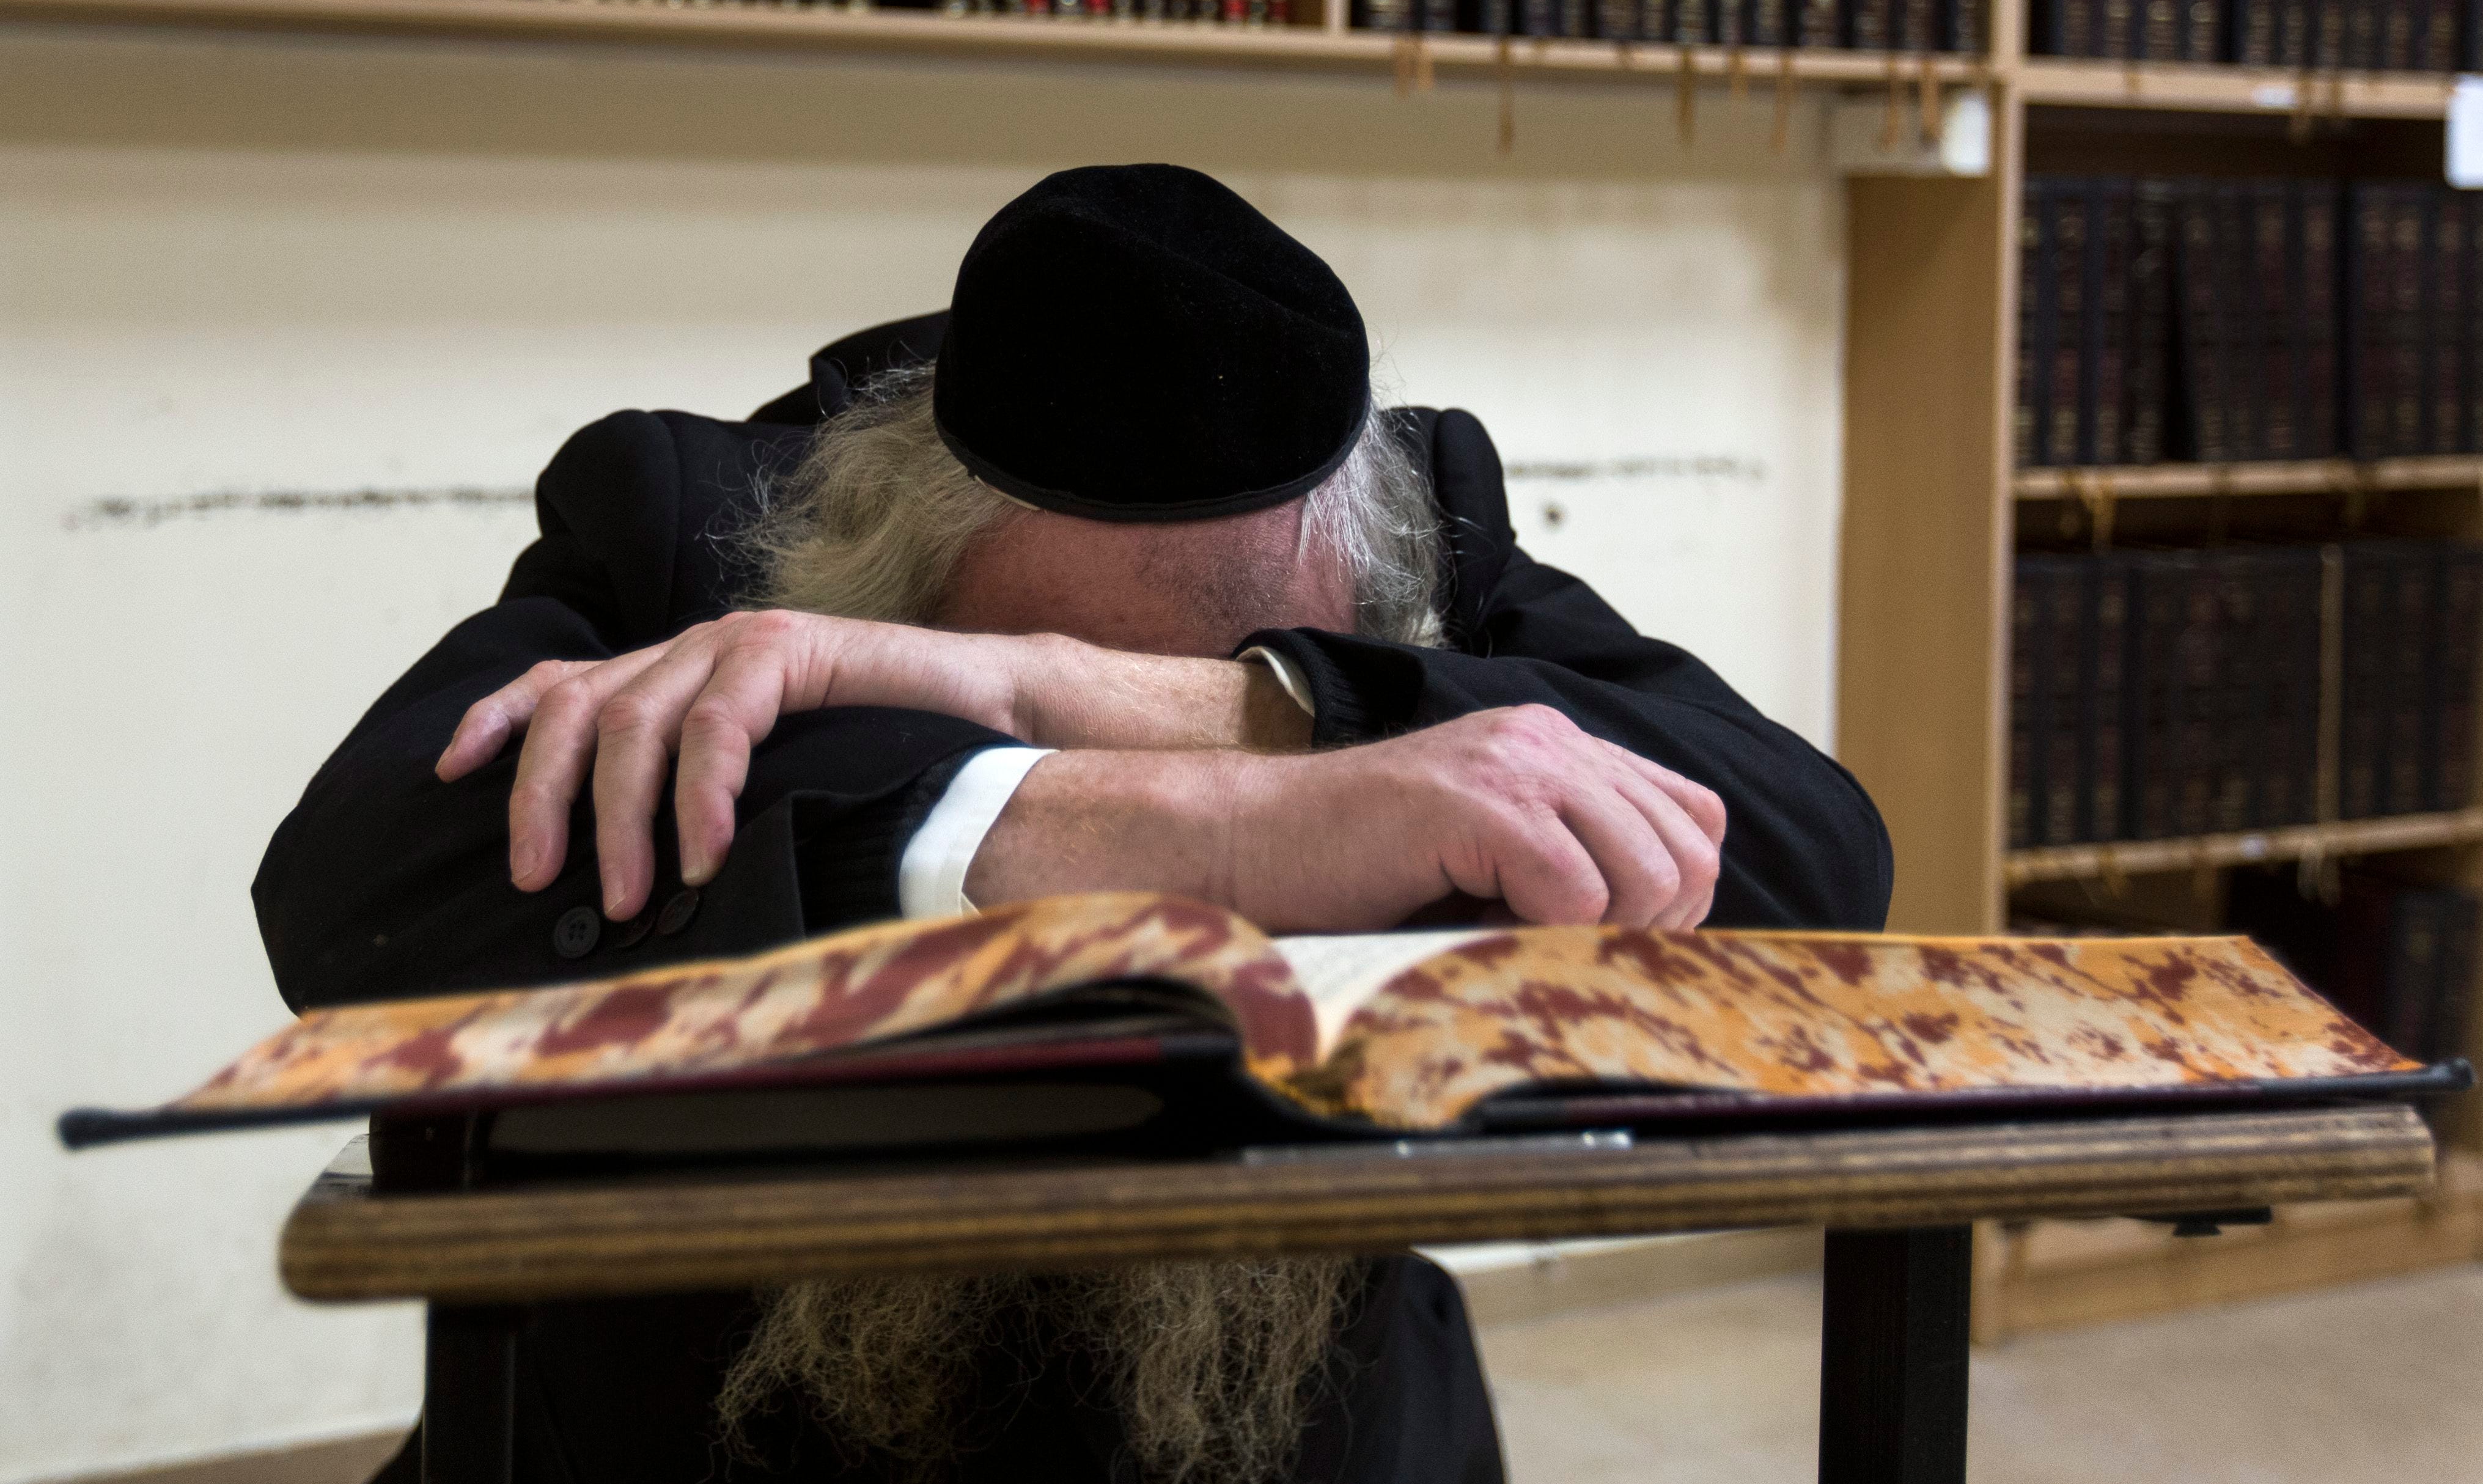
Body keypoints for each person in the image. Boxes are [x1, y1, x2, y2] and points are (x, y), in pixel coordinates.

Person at [258, 163, 1892, 1484]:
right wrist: (1106, 807)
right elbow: (354, 896)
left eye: (1222, 667)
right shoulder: (695, 531)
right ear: (897, 554)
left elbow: (1813, 863)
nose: (1161, 704)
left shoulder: (1425, 531)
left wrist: (1085, 694)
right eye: (1062, 640)